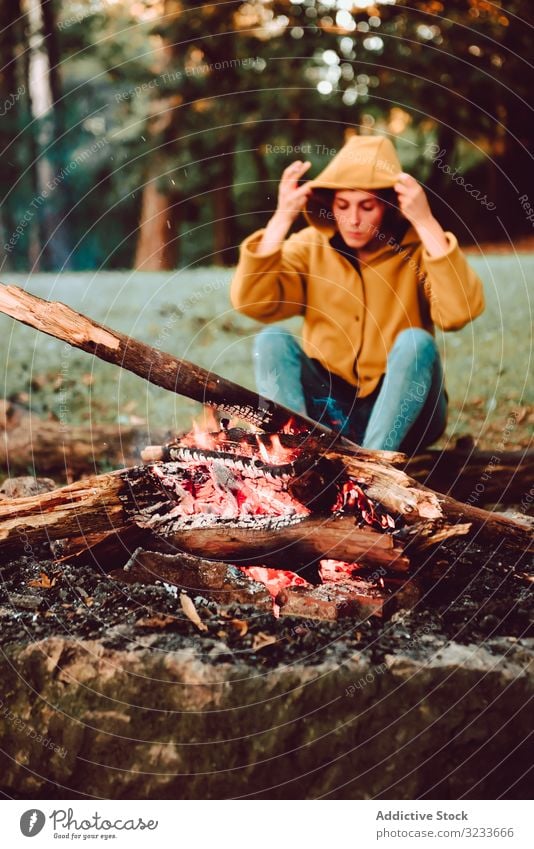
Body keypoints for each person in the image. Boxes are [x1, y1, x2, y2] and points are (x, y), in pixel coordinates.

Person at [230, 135, 485, 451]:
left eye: (367, 207)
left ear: (390, 207)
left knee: (416, 342)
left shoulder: (419, 249)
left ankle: (373, 465)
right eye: (342, 205)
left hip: (410, 415)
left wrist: (425, 221)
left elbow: (459, 312)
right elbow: (252, 301)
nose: (352, 220)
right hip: (331, 412)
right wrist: (282, 218)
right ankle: (294, 456)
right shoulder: (310, 246)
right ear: (329, 204)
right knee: (271, 340)